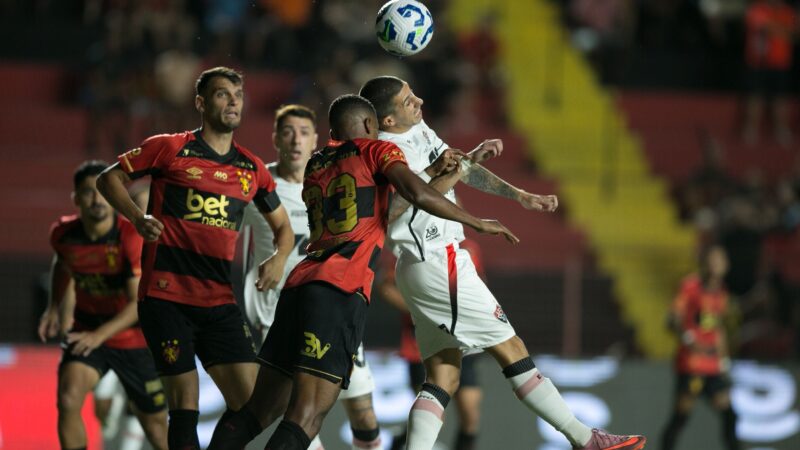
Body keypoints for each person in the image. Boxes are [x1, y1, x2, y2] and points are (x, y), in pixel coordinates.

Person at [206, 93, 517, 450]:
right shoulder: (377, 151)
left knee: (257, 411)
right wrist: (477, 221)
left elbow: (387, 207)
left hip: (299, 287)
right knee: (305, 416)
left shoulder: (318, 164)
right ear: (371, 126)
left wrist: (434, 171)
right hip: (338, 292)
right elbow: (415, 195)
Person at [359, 75, 646, 450]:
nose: (420, 101)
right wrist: (467, 208)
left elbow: (457, 169)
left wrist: (519, 195)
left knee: (442, 376)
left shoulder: (418, 131)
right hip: (435, 259)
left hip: (426, 264)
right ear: (388, 121)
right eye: (408, 100)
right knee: (512, 349)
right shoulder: (385, 150)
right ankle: (585, 439)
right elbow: (397, 208)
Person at [96, 66, 295, 450]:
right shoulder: (169, 148)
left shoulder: (251, 169)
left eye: (238, 95)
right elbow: (109, 179)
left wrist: (280, 257)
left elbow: (283, 228)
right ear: (201, 103)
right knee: (185, 405)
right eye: (223, 94)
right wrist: (138, 219)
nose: (233, 102)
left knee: (255, 403)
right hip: (166, 297)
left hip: (219, 301)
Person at [233, 104, 383, 450]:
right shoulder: (258, 188)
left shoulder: (338, 179)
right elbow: (224, 234)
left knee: (362, 412)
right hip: (277, 315)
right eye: (287, 132)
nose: (296, 139)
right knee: (297, 413)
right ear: (275, 138)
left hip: (332, 306)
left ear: (316, 138)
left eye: (303, 132)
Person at [38, 160, 168, 450]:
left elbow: (138, 303)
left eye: (102, 192)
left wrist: (98, 336)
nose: (97, 199)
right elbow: (63, 263)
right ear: (76, 199)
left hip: (133, 340)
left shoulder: (130, 237)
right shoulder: (63, 234)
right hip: (88, 331)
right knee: (68, 398)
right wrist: (54, 307)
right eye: (88, 192)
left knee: (157, 429)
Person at [375, 239, 485, 450]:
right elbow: (385, 286)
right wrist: (422, 309)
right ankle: (399, 443)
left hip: (462, 339)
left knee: (470, 415)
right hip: (421, 343)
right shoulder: (406, 246)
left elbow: (477, 285)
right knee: (432, 417)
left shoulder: (468, 247)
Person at [660, 245, 739, 450]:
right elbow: (672, 318)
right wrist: (688, 338)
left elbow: (718, 328)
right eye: (712, 259)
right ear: (704, 263)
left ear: (726, 266)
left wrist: (724, 361)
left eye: (719, 260)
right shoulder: (690, 286)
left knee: (730, 415)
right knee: (681, 417)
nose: (715, 264)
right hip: (691, 364)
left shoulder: (722, 292)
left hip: (712, 366)